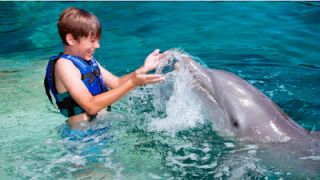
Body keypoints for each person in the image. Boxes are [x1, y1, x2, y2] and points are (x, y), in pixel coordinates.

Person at [44, 7, 165, 130]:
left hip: (103, 128)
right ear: (70, 39)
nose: (97, 45)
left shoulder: (88, 61)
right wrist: (133, 82)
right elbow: (90, 106)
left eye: (97, 41)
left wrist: (143, 69)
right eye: (92, 41)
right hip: (82, 139)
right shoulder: (64, 65)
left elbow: (117, 83)